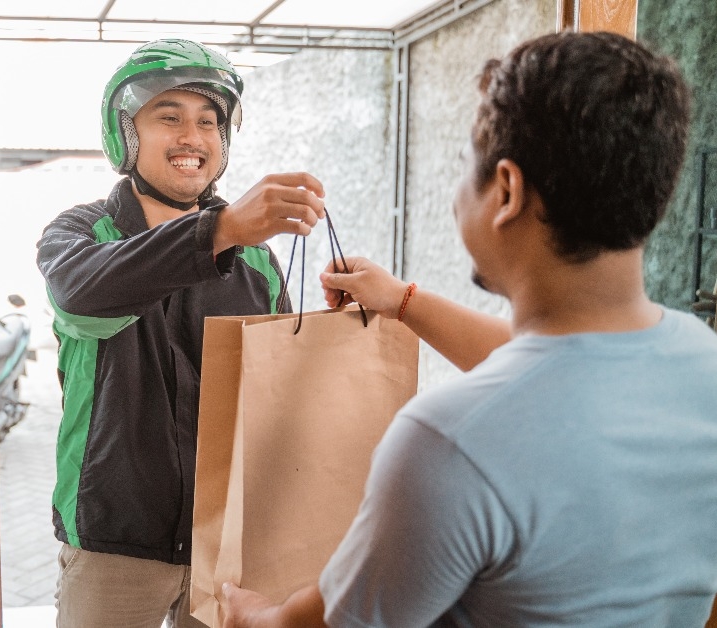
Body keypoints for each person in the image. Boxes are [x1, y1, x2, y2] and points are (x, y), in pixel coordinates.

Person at [223, 31, 717, 627]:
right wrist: (402, 300)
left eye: (464, 166)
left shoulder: (447, 442)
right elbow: (557, 375)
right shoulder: (700, 360)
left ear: (505, 190)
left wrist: (251, 617)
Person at [36, 38, 326, 627]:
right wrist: (217, 232)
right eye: (169, 117)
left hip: (225, 543)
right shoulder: (81, 233)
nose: (193, 137)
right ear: (126, 132)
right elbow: (84, 299)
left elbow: (274, 388)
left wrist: (336, 323)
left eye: (208, 122)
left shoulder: (257, 261)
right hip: (112, 540)